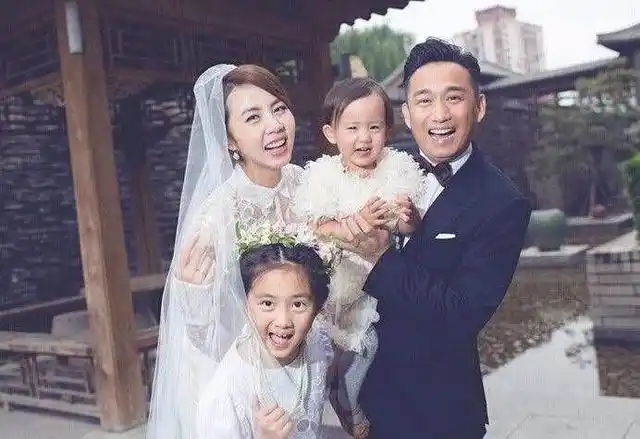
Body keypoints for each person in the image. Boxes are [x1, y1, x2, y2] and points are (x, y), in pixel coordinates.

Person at [350, 38, 532, 438]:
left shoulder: (503, 202)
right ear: (407, 113)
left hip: (440, 411)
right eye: (424, 100)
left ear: (478, 106)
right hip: (365, 397)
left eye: (454, 98)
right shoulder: (381, 170)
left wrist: (380, 260)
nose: (440, 114)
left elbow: (461, 313)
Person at [146, 64, 306, 439]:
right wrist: (195, 294)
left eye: (279, 108)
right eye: (253, 117)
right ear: (230, 141)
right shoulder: (216, 217)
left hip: (305, 367)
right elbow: (201, 335)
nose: (274, 125)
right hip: (248, 386)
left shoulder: (305, 182)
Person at [293, 77, 425, 438]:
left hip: (372, 284)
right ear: (331, 133)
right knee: (321, 354)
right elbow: (314, 222)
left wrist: (410, 218)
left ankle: (352, 406)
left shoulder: (395, 170)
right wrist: (351, 224)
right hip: (332, 281)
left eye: (374, 127)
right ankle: (323, 403)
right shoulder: (324, 174)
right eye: (352, 128)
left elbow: (403, 226)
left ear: (387, 130)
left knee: (366, 349)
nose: (364, 138)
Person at [196, 236, 337, 439]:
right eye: (268, 304)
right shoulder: (228, 389)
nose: (283, 321)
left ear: (316, 308)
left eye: (298, 304)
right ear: (245, 303)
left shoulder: (317, 344)